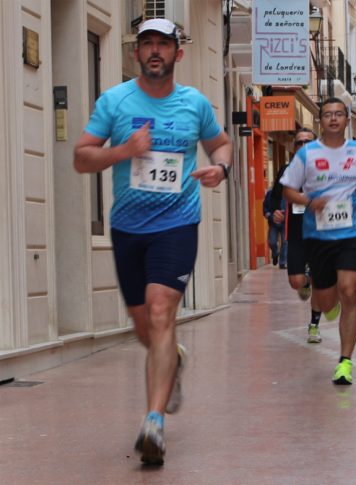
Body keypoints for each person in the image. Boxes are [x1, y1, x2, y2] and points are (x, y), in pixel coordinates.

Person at [73, 19, 233, 465]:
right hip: (127, 228)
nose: (155, 51)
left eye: (164, 43)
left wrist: (220, 170)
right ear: (136, 54)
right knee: (146, 329)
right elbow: (81, 158)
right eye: (147, 44)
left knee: (162, 311)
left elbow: (221, 145)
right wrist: (123, 151)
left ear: (178, 54)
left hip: (177, 223)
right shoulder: (115, 102)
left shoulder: (194, 104)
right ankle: (172, 361)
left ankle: (154, 423)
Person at [281, 97, 356, 385]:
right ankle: (325, 302)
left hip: (352, 233)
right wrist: (309, 201)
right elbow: (289, 191)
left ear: (347, 120)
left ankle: (345, 362)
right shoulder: (307, 155)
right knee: (327, 299)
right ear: (320, 120)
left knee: (350, 290)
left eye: (339, 114)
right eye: (328, 114)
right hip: (318, 236)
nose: (333, 119)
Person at [284, 127, 323, 343]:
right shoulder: (287, 171)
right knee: (295, 281)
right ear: (294, 147)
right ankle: (304, 281)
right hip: (297, 235)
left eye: (308, 141)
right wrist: (274, 212)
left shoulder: (325, 170)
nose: (303, 145)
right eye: (299, 142)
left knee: (320, 281)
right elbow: (272, 199)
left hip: (320, 235)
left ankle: (314, 326)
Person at [263, 170, 288, 269]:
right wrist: (270, 215)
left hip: (285, 223)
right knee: (272, 242)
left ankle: (282, 262)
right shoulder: (270, 194)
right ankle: (275, 253)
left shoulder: (288, 195)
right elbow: (265, 207)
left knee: (285, 242)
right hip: (273, 223)